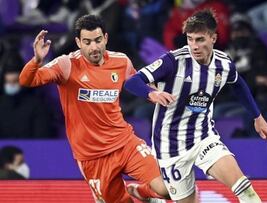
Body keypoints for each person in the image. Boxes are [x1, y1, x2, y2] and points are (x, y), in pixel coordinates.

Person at [125, 9, 267, 203]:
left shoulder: (223, 64)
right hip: (171, 145)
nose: (194, 46)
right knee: (166, 191)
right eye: (190, 39)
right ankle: (147, 194)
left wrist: (257, 116)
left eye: (200, 39)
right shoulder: (173, 61)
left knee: (245, 190)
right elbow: (132, 82)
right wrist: (152, 93)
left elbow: (238, 84)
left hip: (203, 138)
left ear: (213, 38)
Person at [19, 14, 168, 203]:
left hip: (125, 144)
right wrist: (37, 61)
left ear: (105, 38)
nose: (94, 47)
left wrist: (151, 93)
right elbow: (27, 80)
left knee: (167, 189)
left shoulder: (121, 61)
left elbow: (134, 83)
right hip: (92, 157)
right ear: (78, 42)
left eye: (98, 40)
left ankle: (141, 192)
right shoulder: (66, 65)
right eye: (87, 42)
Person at [0, 67, 54, 138]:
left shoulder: (36, 105)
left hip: (30, 148)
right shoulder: (1, 104)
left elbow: (42, 137)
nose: (11, 85)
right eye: (8, 82)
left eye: (15, 81)